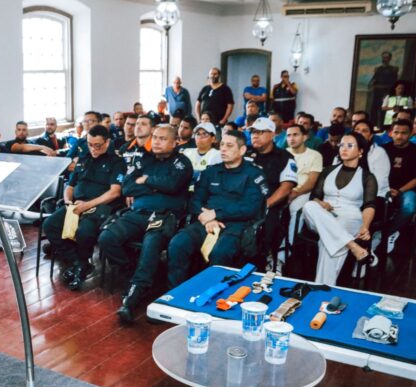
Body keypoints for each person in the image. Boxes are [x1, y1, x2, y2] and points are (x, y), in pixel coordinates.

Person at [98, 125, 193, 322]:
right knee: (107, 238)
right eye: (155, 137)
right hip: (137, 213)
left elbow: (173, 185)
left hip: (164, 216)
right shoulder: (144, 159)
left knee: (151, 245)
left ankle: (132, 298)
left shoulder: (182, 162)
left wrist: (147, 180)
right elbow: (127, 187)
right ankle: (132, 273)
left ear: (175, 142)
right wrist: (155, 185)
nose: (156, 141)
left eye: (162, 139)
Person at [167, 131, 268, 287]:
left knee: (220, 253)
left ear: (242, 150)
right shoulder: (211, 172)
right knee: (178, 243)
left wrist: (216, 214)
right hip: (205, 221)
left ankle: (212, 294)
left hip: (236, 226)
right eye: (222, 145)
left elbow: (250, 207)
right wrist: (208, 220)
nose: (223, 149)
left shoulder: (254, 174)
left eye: (229, 145)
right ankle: (177, 292)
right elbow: (195, 200)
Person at [43, 125, 125, 290]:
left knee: (84, 231)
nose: (93, 149)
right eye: (90, 144)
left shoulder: (117, 161)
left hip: (100, 206)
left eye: (98, 145)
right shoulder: (84, 158)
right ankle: (78, 263)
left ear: (107, 142)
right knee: (50, 225)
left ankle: (80, 265)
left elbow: (114, 193)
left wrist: (86, 205)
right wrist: (68, 201)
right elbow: (70, 186)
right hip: (76, 205)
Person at [301, 132, 378, 285]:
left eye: (350, 145)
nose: (344, 148)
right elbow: (314, 197)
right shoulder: (328, 170)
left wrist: (365, 226)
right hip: (322, 216)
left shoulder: (368, 177)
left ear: (361, 151)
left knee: (328, 241)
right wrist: (320, 203)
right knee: (309, 206)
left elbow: (369, 205)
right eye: (342, 145)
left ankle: (323, 287)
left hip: (350, 217)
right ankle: (352, 246)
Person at [246, 117, 298, 268]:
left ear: (272, 134)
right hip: (242, 200)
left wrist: (265, 205)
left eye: (260, 132)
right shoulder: (245, 152)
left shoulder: (285, 157)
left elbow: (286, 187)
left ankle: (264, 262)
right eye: (253, 132)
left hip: (269, 203)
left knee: (267, 226)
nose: (255, 136)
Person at [383, 119, 416, 251]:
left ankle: (388, 233)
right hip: (384, 187)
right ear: (391, 133)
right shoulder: (383, 149)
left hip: (407, 190)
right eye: (396, 132)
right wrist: (386, 188)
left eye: (404, 133)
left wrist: (400, 191)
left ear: (411, 133)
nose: (399, 136)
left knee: (409, 207)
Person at [285, 124, 323, 246]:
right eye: (289, 135)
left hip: (303, 191)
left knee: (296, 210)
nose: (291, 138)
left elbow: (311, 182)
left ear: (304, 137)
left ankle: (289, 248)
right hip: (284, 189)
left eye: (295, 135)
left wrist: (295, 193)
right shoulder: (283, 153)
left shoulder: (315, 155)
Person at [351, 119, 391, 200]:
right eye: (357, 130)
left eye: (364, 131)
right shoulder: (343, 150)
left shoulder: (379, 153)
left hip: (373, 195)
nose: (359, 133)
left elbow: (379, 182)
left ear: (371, 136)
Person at [181, 122, 222, 189]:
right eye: (198, 134)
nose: (200, 137)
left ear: (213, 139)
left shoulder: (218, 155)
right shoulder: (186, 152)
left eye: (205, 134)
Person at [368, 51, 400, 127]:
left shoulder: (393, 69)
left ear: (389, 58)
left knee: (384, 112)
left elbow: (394, 83)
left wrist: (380, 86)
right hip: (377, 94)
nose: (385, 59)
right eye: (384, 57)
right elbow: (373, 81)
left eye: (386, 57)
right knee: (374, 111)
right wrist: (372, 86)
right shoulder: (378, 69)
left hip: (387, 93)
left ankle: (383, 127)